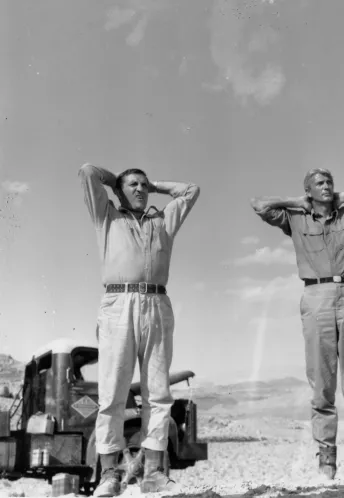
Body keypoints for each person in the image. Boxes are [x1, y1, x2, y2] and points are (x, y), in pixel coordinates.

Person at [250, 169, 344, 480]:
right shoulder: (296, 219)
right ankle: (326, 462)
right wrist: (300, 202)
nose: (326, 186)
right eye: (319, 184)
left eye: (329, 183)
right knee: (321, 384)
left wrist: (342, 197)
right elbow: (259, 204)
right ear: (308, 191)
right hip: (315, 297)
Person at [79, 163, 200, 496]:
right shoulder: (107, 217)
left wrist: (154, 184)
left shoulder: (163, 221)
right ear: (120, 190)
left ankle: (154, 473)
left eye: (144, 185)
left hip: (157, 303)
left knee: (157, 393)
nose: (141, 189)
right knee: (112, 393)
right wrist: (116, 183)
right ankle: (109, 474)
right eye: (133, 185)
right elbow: (88, 172)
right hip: (118, 303)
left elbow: (190, 190)